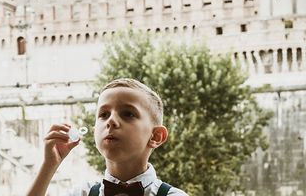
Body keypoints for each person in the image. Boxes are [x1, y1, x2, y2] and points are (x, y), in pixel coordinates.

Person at [27, 78, 188, 196]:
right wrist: (48, 166)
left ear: (156, 136)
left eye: (127, 114)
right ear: (94, 129)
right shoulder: (81, 193)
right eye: (104, 114)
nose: (111, 121)